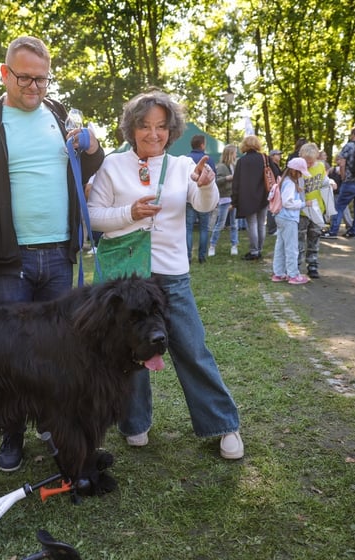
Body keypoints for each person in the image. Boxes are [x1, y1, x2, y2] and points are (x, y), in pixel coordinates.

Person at [0, 35, 104, 472]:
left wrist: (93, 149)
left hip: (59, 255)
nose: (35, 87)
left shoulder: (59, 116)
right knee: (10, 356)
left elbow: (86, 169)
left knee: (60, 351)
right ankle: (12, 434)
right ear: (5, 74)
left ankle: (55, 428)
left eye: (42, 78)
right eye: (25, 78)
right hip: (8, 263)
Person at [87, 89, 243, 460]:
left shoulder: (179, 167)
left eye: (160, 127)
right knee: (130, 353)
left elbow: (203, 207)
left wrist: (206, 186)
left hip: (172, 276)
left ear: (171, 130)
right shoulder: (112, 165)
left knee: (192, 349)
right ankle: (134, 423)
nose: (153, 134)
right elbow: (92, 216)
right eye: (144, 126)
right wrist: (130, 214)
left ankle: (223, 424)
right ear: (131, 128)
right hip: (129, 279)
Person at [324, 127, 355, 239]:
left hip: (351, 181)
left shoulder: (349, 146)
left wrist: (343, 177)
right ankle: (353, 231)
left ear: (352, 134)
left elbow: (342, 163)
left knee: (339, 206)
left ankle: (333, 231)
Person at [271, 158, 312, 285]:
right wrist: (304, 203)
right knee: (291, 247)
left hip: (281, 216)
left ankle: (278, 273)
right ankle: (293, 275)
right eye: (300, 172)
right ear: (295, 171)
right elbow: (288, 202)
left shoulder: (285, 181)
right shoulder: (289, 184)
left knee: (281, 246)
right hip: (288, 218)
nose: (301, 175)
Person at [231, 134, 268, 260]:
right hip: (264, 196)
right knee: (261, 224)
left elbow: (236, 183)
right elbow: (275, 174)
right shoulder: (264, 158)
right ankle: (260, 249)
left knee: (252, 224)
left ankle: (254, 251)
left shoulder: (242, 162)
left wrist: (234, 201)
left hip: (247, 197)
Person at [298, 142, 331, 278]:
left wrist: (331, 183)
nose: (309, 165)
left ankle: (312, 264)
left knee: (314, 236)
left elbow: (324, 182)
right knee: (299, 238)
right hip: (302, 209)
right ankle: (296, 265)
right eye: (306, 162)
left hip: (317, 208)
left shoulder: (321, 167)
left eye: (311, 162)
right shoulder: (297, 168)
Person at [186, 134, 215, 263]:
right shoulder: (209, 160)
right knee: (204, 228)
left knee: (188, 229)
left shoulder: (186, 159)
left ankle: (187, 257)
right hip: (204, 198)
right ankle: (202, 257)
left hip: (188, 198)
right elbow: (213, 179)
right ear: (202, 145)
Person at [210, 144, 239, 256]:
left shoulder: (235, 166)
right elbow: (216, 182)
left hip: (234, 198)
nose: (236, 154)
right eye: (235, 152)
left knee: (234, 224)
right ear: (230, 154)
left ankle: (234, 245)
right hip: (224, 198)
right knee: (220, 224)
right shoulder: (221, 166)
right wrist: (227, 178)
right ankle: (212, 245)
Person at [266, 149, 284, 236]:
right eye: (278, 154)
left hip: (276, 189)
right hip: (273, 190)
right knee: (271, 208)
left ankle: (274, 227)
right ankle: (272, 229)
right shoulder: (271, 165)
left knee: (274, 208)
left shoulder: (276, 165)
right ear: (272, 156)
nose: (280, 156)